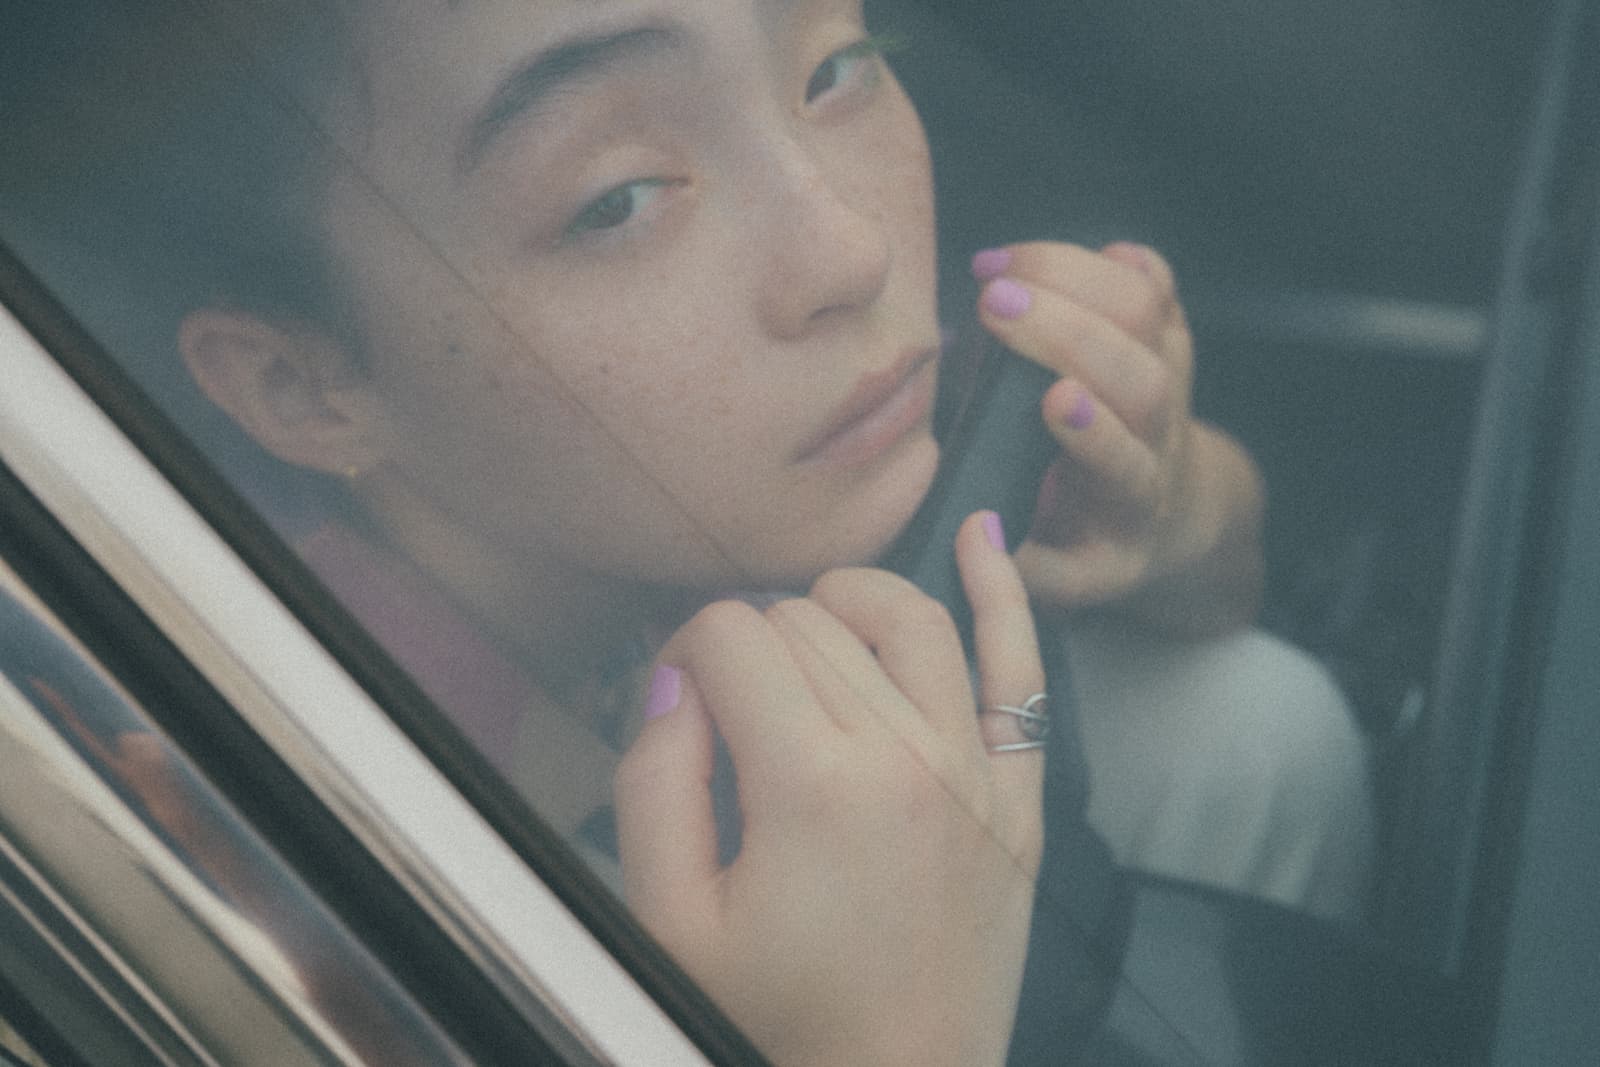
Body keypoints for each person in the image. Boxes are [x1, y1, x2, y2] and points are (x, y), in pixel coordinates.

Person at [0, 0, 1373, 1061]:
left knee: (1255, 718)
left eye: (834, 65)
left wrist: (1168, 510)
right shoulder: (298, 882)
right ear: (304, 389)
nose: (848, 251)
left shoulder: (751, 463)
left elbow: (1224, 593)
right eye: (618, 200)